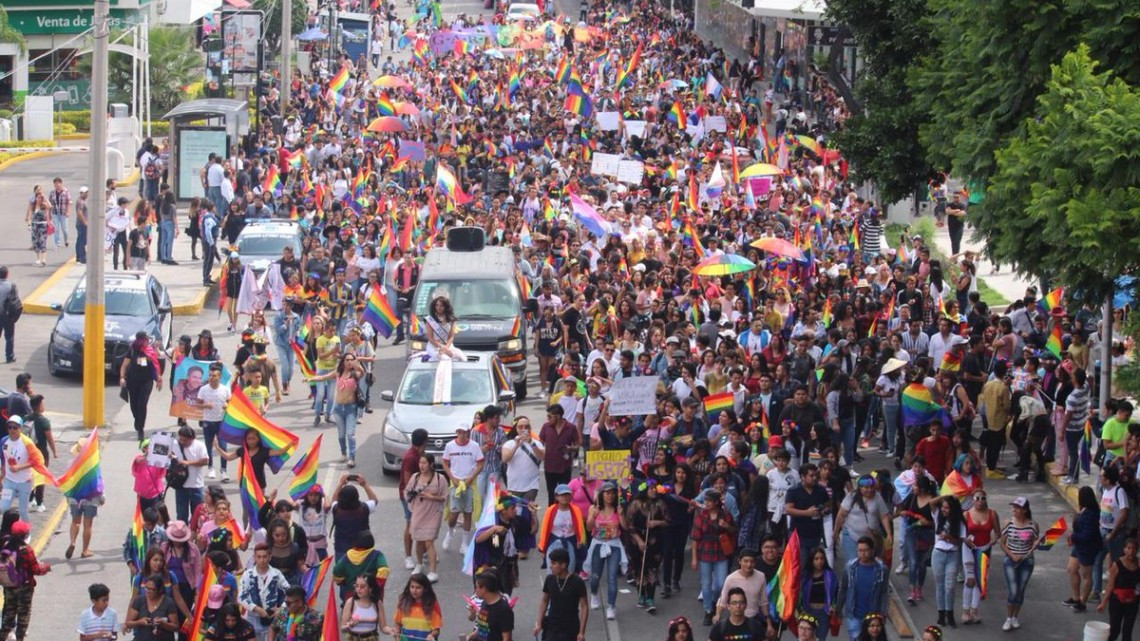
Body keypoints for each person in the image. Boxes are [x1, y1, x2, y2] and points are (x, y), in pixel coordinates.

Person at [691, 488, 737, 627]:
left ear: (716, 502)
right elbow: (695, 538)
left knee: (721, 584)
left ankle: (714, 601)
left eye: (710, 500)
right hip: (705, 551)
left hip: (721, 552)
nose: (707, 503)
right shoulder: (701, 515)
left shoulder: (726, 515)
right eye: (706, 500)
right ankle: (708, 610)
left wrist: (727, 526)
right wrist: (694, 557)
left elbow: (735, 531)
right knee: (705, 584)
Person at [585, 481, 626, 622]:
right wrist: (593, 516)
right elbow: (589, 528)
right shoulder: (594, 508)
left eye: (613, 493)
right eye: (608, 493)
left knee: (612, 577)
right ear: (602, 495)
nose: (610, 496)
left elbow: (625, 527)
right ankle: (594, 593)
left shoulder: (618, 509)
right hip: (598, 544)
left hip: (614, 545)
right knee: (595, 576)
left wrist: (621, 515)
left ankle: (611, 606)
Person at [404, 452, 448, 582]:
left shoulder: (440, 479)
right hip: (418, 512)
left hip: (433, 513)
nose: (421, 466)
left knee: (429, 541)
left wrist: (431, 497)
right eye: (420, 463)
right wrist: (412, 497)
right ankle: (419, 564)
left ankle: (433, 571)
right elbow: (407, 492)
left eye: (424, 463)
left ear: (431, 464)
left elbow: (445, 496)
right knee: (418, 540)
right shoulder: (415, 477)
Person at [442, 423, 485, 554]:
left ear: (468, 432)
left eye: (464, 432)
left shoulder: (474, 446)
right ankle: (450, 532)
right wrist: (452, 477)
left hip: (469, 483)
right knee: (454, 513)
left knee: (468, 513)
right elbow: (445, 462)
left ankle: (464, 543)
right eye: (459, 432)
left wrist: (471, 478)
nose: (461, 434)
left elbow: (480, 463)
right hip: (456, 483)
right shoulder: (450, 446)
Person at [999, 496, 1040, 631]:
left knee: (1021, 590)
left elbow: (1036, 541)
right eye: (1014, 507)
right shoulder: (1008, 523)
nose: (1014, 510)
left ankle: (1015, 616)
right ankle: (1008, 618)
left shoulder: (1032, 525)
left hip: (1027, 561)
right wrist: (1012, 555)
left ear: (1025, 510)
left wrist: (1037, 543)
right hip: (1011, 560)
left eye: (1017, 507)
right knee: (1013, 590)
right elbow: (1002, 544)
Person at [837, 536, 889, 641]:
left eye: (865, 550)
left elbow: (884, 593)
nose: (862, 554)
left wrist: (883, 612)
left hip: (873, 615)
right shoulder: (850, 568)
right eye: (860, 550)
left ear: (872, 551)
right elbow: (843, 589)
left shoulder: (881, 570)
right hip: (854, 615)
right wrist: (838, 608)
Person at [961, 489, 1000, 625]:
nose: (979, 501)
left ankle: (974, 609)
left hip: (984, 549)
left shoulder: (992, 514)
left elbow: (997, 532)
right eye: (977, 498)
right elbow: (961, 533)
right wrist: (966, 540)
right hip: (969, 549)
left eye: (982, 498)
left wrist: (993, 540)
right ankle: (965, 610)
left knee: (980, 579)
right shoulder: (966, 514)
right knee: (970, 579)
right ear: (972, 499)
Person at [533, 547, 588, 641]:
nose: (550, 566)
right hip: (552, 627)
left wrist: (581, 632)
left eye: (553, 563)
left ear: (563, 565)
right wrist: (539, 624)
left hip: (571, 628)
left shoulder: (577, 582)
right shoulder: (550, 579)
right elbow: (544, 601)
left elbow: (584, 606)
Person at [928, 495, 966, 628]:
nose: (943, 510)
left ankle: (950, 613)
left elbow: (960, 540)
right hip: (938, 553)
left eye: (947, 508)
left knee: (950, 586)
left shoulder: (959, 522)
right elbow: (931, 502)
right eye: (943, 507)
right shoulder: (938, 516)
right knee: (940, 585)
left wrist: (948, 537)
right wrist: (946, 496)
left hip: (952, 554)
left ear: (953, 509)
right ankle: (941, 614)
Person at [716, 548, 774, 635]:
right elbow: (723, 599)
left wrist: (769, 623)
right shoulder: (731, 579)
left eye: (752, 561)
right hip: (735, 620)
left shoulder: (761, 577)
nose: (749, 564)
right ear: (739, 561)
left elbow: (763, 601)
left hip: (753, 620)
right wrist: (718, 615)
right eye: (745, 561)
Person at [238, 544, 288, 641]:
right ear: (254, 558)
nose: (262, 560)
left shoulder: (276, 574)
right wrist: (256, 609)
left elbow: (289, 591)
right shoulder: (248, 575)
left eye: (265, 557)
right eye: (259, 557)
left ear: (269, 557)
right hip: (252, 617)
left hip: (271, 618)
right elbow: (241, 597)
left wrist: (282, 608)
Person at [64, 433, 102, 560]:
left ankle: (72, 542)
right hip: (90, 498)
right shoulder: (93, 465)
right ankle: (85, 550)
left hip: (75, 497)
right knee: (88, 524)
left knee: (75, 521)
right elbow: (98, 481)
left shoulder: (70, 463)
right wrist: (102, 497)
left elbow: (68, 481)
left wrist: (67, 496)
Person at [120, 331, 163, 441]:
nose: (147, 341)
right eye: (145, 339)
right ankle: (137, 420)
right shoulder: (132, 350)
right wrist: (122, 377)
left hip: (146, 381)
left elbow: (155, 366)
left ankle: (140, 429)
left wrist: (158, 379)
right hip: (133, 381)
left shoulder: (150, 351)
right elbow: (124, 365)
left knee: (142, 404)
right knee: (134, 404)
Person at [0, 417, 44, 521]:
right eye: (10, 427)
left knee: (23, 511)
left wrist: (19, 467)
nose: (12, 430)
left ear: (20, 428)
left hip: (25, 482)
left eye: (15, 427)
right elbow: (3, 461)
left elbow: (37, 461)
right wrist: (1, 478)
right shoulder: (3, 441)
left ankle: (26, 532)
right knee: (3, 508)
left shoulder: (27, 443)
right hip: (9, 482)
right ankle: (7, 529)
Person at [1066, 486, 1102, 613]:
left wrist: (1073, 536)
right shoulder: (1085, 510)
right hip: (1079, 544)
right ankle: (1076, 597)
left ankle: (1083, 601)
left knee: (1086, 574)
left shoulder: (1091, 514)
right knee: (1072, 569)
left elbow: (1088, 535)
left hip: (1087, 547)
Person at [1098, 537, 1140, 641]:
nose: (1131, 551)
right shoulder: (1117, 564)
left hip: (1132, 601)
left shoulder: (1138, 564)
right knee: (1115, 630)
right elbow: (1110, 585)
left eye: (1134, 549)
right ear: (1124, 549)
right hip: (1117, 601)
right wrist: (1103, 603)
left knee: (1127, 630)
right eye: (1128, 548)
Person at [330, 474, 379, 561]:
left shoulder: (337, 510)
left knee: (342, 573)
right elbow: (374, 500)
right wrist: (364, 484)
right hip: (362, 550)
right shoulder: (364, 508)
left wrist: (340, 484)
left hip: (342, 550)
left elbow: (333, 500)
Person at [331, 532, 389, 603]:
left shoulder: (346, 557)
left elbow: (336, 573)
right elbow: (384, 570)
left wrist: (346, 583)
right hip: (372, 596)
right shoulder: (377, 555)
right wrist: (376, 586)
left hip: (352, 594)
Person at [197, 363, 232, 480]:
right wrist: (206, 405)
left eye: (214, 375)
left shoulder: (225, 390)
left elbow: (230, 404)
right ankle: (210, 468)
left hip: (221, 421)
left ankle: (224, 471)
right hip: (208, 421)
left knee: (223, 446)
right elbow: (198, 404)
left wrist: (227, 406)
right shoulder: (203, 389)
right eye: (210, 375)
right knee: (208, 445)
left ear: (220, 377)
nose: (211, 378)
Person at [171, 425, 209, 523]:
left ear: (192, 439)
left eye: (185, 440)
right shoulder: (175, 444)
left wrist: (189, 463)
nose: (183, 442)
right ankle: (182, 537)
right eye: (181, 439)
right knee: (181, 515)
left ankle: (196, 537)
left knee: (199, 516)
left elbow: (205, 461)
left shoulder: (199, 445)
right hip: (181, 486)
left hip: (196, 486)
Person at [124, 573, 178, 641]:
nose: (148, 592)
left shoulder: (168, 602)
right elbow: (128, 623)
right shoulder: (139, 601)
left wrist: (164, 624)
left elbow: (176, 627)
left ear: (159, 590)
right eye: (146, 588)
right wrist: (140, 622)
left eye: (152, 589)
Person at [464, 571, 514, 641]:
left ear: (484, 589)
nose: (475, 591)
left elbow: (506, 638)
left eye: (477, 587)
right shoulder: (484, 603)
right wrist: (470, 636)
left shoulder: (504, 610)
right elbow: (482, 628)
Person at [393, 573, 443, 641]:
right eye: (412, 587)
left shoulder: (433, 604)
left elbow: (436, 629)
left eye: (418, 587)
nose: (414, 590)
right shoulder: (403, 602)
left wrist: (431, 635)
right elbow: (397, 623)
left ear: (425, 588)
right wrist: (397, 635)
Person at [340, 575, 391, 640]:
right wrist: (349, 626)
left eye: (362, 587)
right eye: (357, 586)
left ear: (370, 588)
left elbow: (383, 627)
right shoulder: (350, 602)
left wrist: (391, 630)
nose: (359, 589)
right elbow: (343, 628)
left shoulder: (377, 604)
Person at [0, 266, 21, 363]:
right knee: (9, 337)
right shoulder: (12, 286)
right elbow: (16, 300)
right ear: (7, 274)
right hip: (8, 315)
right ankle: (9, 356)